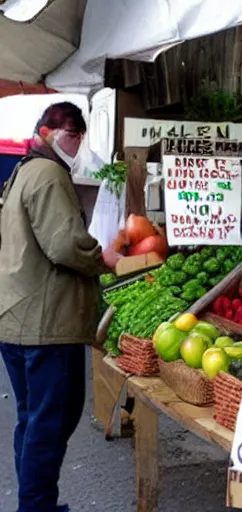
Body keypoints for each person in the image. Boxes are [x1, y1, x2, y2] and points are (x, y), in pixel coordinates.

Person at [0, 102, 122, 512]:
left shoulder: (22, 171)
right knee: (50, 423)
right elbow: (65, 244)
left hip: (18, 315)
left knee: (32, 420)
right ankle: (37, 507)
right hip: (46, 322)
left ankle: (35, 504)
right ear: (50, 131)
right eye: (73, 136)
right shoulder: (49, 174)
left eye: (81, 137)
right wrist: (102, 258)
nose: (77, 144)